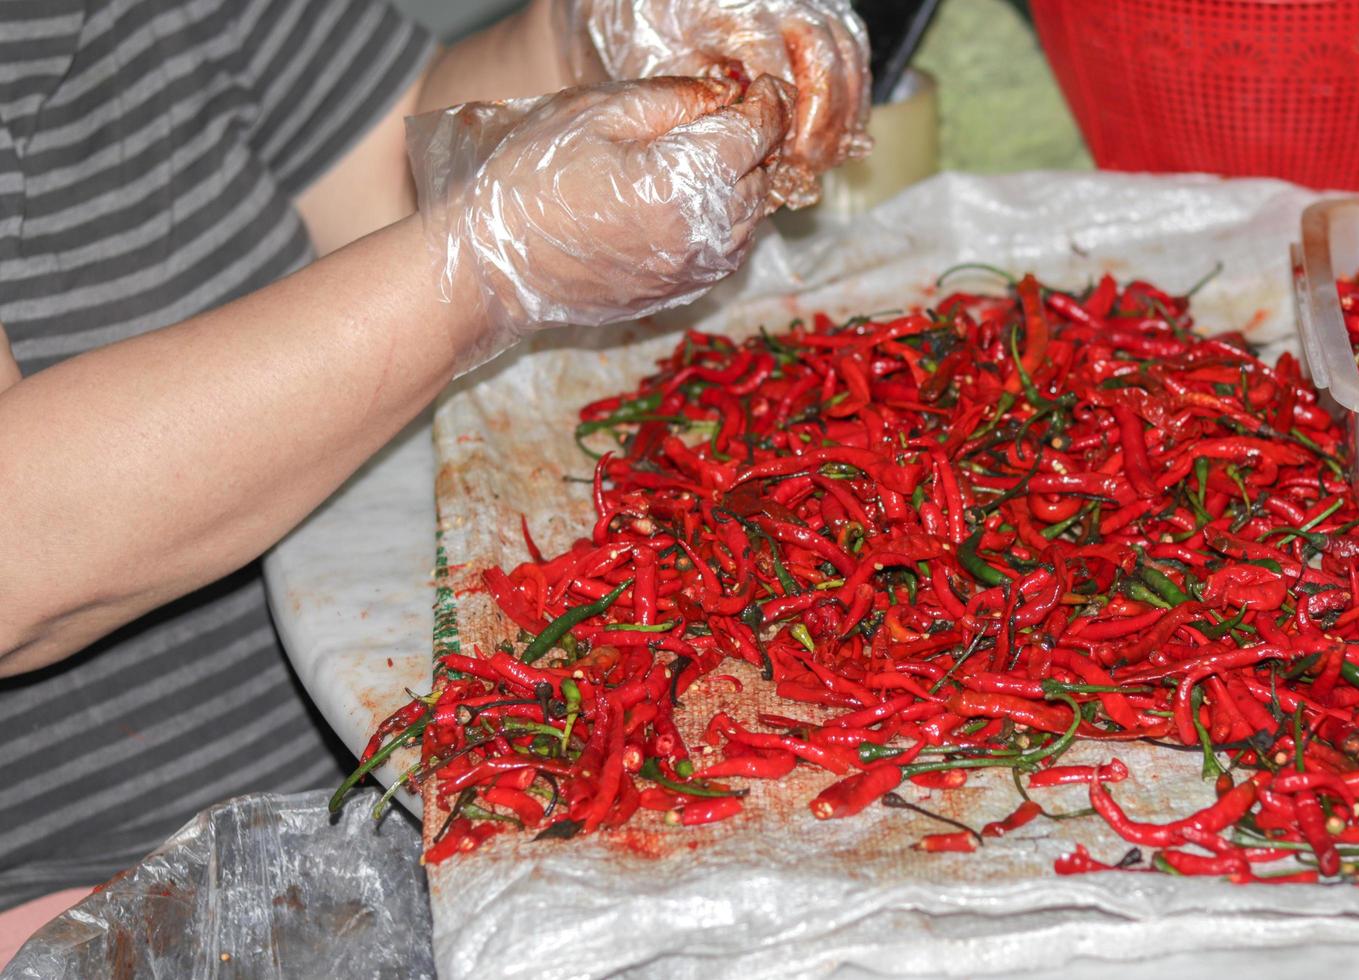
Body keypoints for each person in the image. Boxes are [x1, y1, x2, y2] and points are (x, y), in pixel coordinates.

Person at [0, 0, 869, 930]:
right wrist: (479, 267)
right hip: (122, 898)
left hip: (427, 761)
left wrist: (599, 41)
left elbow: (393, 165)